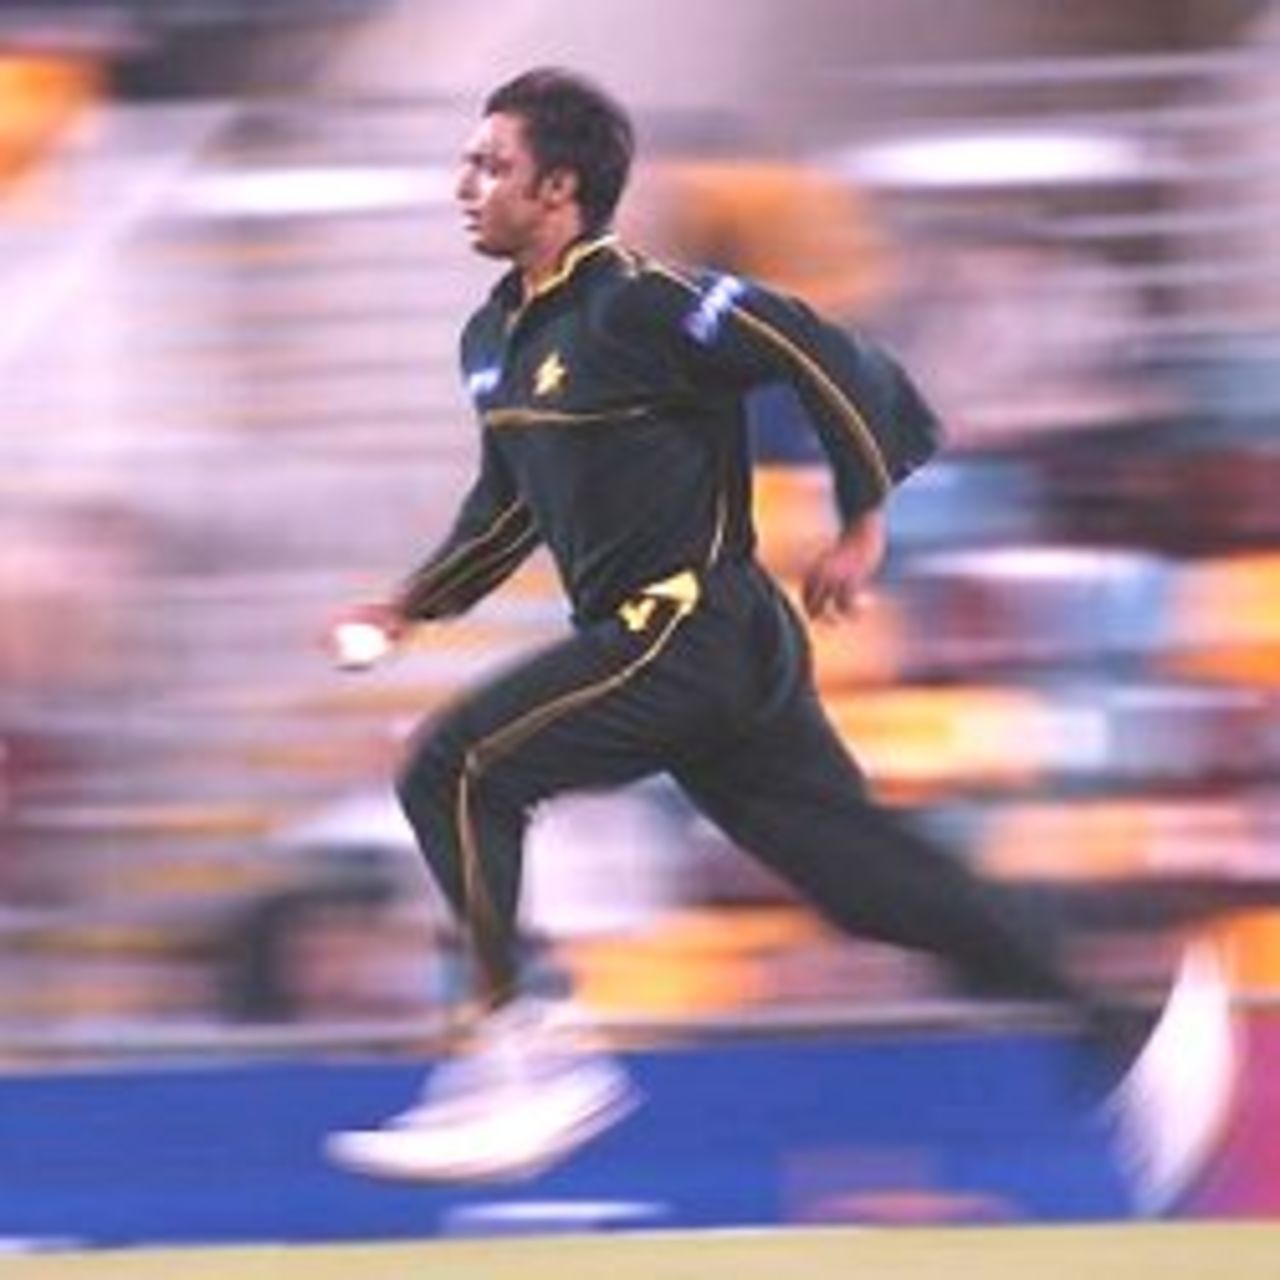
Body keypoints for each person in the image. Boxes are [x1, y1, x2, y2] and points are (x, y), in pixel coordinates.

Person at [323, 68, 1236, 1211]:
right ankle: (1129, 1019)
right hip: (697, 647)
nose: (465, 182)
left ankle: (519, 1057)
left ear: (559, 189)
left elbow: (816, 346)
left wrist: (862, 509)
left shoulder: (645, 304)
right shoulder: (490, 338)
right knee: (861, 880)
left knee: (450, 764)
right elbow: (507, 508)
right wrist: (408, 605)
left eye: (490, 163)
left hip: (688, 625)